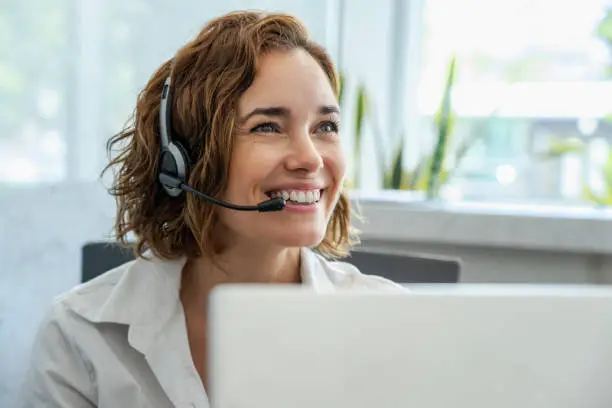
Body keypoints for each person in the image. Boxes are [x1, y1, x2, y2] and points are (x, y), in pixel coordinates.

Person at [18, 10, 405, 408]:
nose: (310, 159)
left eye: (325, 127)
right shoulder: (80, 334)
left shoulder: (391, 325)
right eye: (267, 127)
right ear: (184, 161)